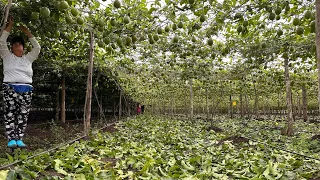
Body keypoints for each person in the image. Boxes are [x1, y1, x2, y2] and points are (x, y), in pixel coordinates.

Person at [0, 16, 41, 148]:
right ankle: (11, 138)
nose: (18, 45)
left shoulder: (28, 59)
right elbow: (1, 41)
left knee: (23, 115)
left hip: (27, 89)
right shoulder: (6, 57)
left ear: (23, 48)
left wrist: (27, 32)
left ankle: (19, 138)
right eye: (15, 44)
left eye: (20, 44)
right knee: (10, 113)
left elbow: (37, 47)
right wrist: (10, 26)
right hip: (10, 88)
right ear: (11, 48)